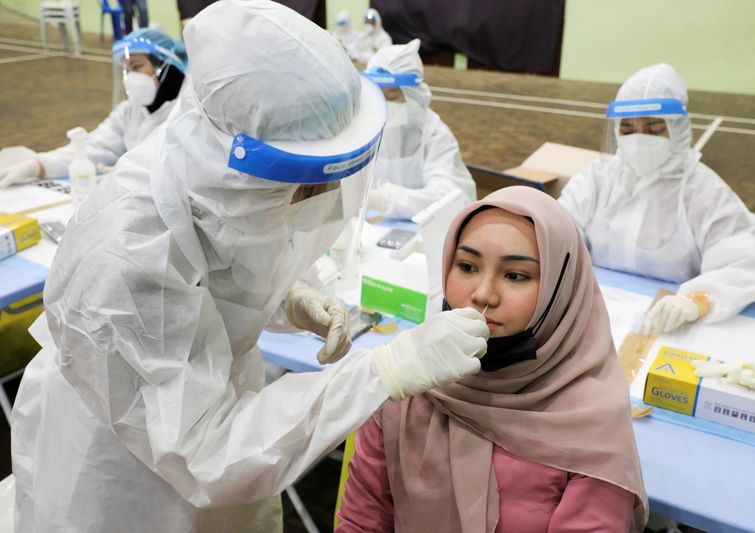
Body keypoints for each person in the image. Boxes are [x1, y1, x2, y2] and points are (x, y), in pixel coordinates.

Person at [10, 2, 489, 531]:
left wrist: (292, 297)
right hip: (127, 469)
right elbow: (205, 453)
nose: (321, 195)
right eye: (307, 178)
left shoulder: (209, 178)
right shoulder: (126, 257)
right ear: (237, 155)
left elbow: (229, 253)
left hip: (221, 415)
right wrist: (381, 373)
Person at [337, 186, 648, 532]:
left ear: (560, 291)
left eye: (515, 275)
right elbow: (362, 521)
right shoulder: (410, 378)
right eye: (467, 266)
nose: (483, 294)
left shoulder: (589, 421)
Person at [558, 63, 755, 334]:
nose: (639, 140)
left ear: (678, 129)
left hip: (675, 326)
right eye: (627, 130)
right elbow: (558, 230)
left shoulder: (704, 190)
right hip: (598, 312)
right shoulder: (598, 177)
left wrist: (696, 302)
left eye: (652, 130)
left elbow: (745, 267)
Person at [0, 28, 187, 188]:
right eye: (126, 70)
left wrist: (129, 174)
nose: (129, 77)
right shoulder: (130, 111)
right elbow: (94, 147)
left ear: (167, 67)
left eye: (136, 67)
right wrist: (38, 166)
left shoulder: (188, 113)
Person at [363, 39, 476, 219]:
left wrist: (384, 200)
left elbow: (446, 197)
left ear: (413, 94)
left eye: (391, 93)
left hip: (424, 231)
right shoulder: (365, 130)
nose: (384, 104)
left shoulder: (435, 134)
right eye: (378, 92)